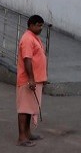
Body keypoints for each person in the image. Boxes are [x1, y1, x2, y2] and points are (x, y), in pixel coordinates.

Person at [16, 14, 47, 147]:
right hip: (27, 81)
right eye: (38, 25)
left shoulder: (34, 38)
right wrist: (31, 79)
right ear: (31, 25)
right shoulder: (27, 39)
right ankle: (22, 137)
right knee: (24, 109)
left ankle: (28, 133)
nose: (40, 28)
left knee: (29, 109)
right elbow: (27, 59)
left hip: (35, 79)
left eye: (41, 26)